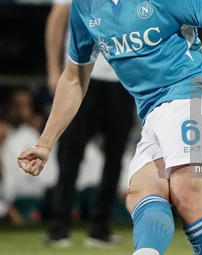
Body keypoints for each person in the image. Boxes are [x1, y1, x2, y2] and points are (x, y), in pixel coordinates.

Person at [17, 1, 202, 254]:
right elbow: (75, 77)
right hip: (153, 111)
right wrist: (44, 144)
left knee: (189, 198)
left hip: (197, 91)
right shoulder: (85, 7)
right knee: (142, 195)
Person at [44, 0, 134, 247]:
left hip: (122, 76)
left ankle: (100, 227)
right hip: (82, 74)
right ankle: (59, 226)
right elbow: (57, 19)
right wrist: (54, 70)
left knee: (116, 153)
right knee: (70, 153)